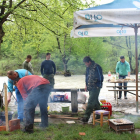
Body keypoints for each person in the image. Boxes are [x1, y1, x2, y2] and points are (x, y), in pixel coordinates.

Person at [81, 56, 104, 123]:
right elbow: (87, 77)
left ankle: (86, 117)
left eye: (86, 63)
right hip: (90, 87)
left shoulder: (97, 67)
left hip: (96, 87)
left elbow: (100, 77)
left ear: (89, 62)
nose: (86, 64)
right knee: (95, 101)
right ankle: (99, 116)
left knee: (90, 101)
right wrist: (86, 85)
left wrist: (98, 85)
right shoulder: (88, 68)